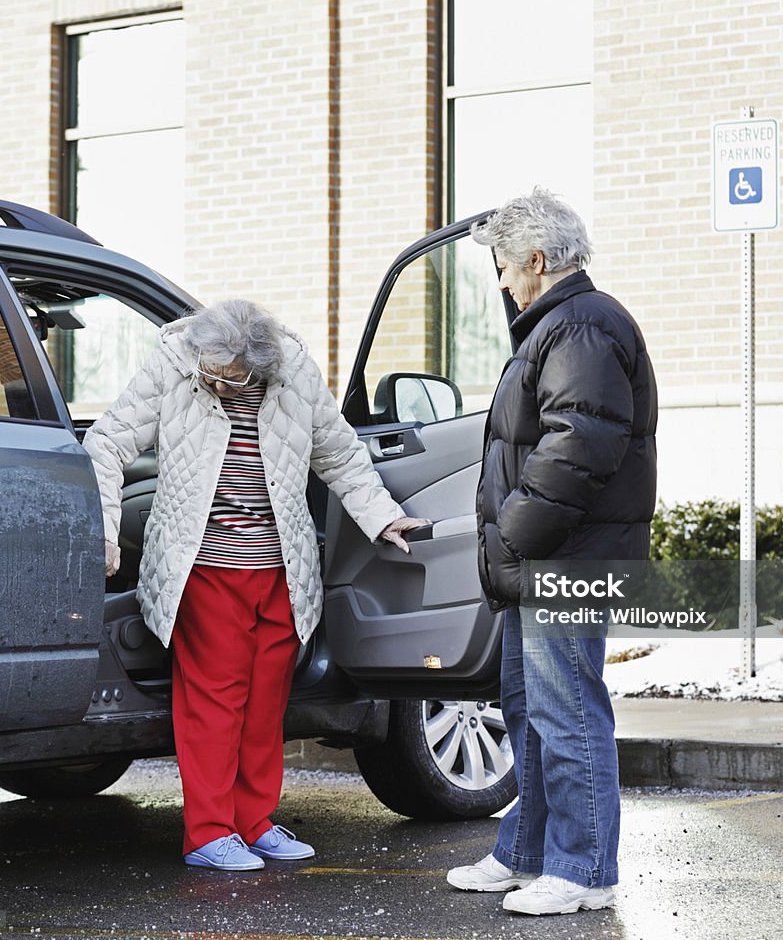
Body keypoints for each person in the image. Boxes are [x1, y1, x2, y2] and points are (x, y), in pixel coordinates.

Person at [84, 299, 426, 871]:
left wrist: (383, 516)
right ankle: (209, 832)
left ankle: (253, 822)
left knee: (266, 703)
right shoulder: (174, 363)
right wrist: (103, 528)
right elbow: (107, 443)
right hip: (205, 565)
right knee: (215, 700)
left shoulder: (293, 373)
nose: (215, 384)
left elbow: (340, 453)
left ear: (261, 368)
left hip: (281, 566)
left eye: (229, 378)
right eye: (209, 374)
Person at [446, 188, 657, 915]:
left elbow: (578, 447)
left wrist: (512, 537)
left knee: (566, 711)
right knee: (529, 706)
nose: (501, 282)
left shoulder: (582, 327)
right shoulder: (560, 325)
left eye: (505, 267)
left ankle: (585, 868)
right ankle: (527, 852)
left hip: (565, 561)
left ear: (537, 260)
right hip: (545, 560)